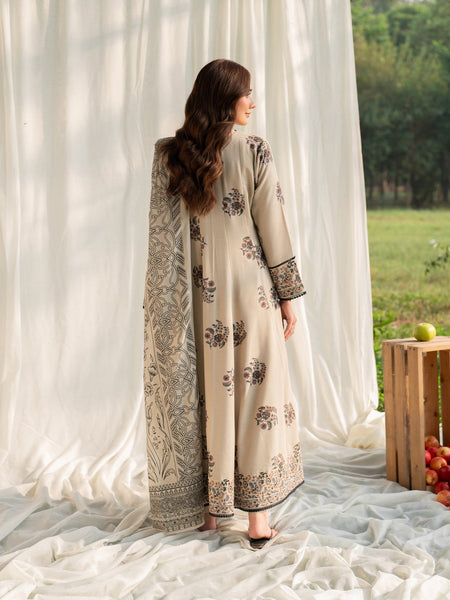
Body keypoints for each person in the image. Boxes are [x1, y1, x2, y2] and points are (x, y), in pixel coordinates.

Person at [143, 59, 306, 549]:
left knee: (205, 397)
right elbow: (272, 225)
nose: (252, 102)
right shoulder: (254, 149)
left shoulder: (169, 155)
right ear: (226, 97)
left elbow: (161, 237)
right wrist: (287, 296)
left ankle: (209, 516)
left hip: (194, 297)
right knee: (257, 399)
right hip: (250, 292)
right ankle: (257, 524)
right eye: (246, 93)